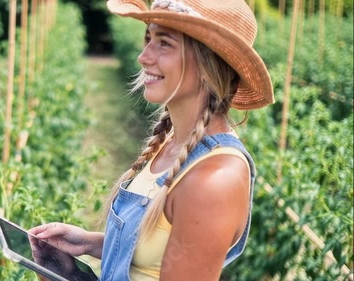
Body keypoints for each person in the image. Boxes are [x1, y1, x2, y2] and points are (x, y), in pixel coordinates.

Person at [30, 0, 274, 280]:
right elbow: (152, 259)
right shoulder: (173, 142)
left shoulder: (214, 180)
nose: (144, 57)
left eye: (164, 43)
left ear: (210, 62)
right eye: (148, 38)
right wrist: (88, 243)